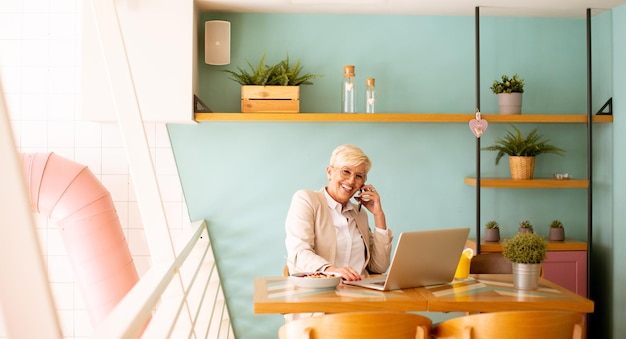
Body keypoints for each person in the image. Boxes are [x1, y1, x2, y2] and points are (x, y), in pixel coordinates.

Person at [285, 144, 393, 282]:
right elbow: (299, 253)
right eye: (346, 172)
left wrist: (379, 215)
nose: (351, 181)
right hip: (322, 292)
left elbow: (379, 267)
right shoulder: (306, 200)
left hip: (360, 293)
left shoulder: (360, 215)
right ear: (329, 172)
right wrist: (332, 271)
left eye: (359, 176)